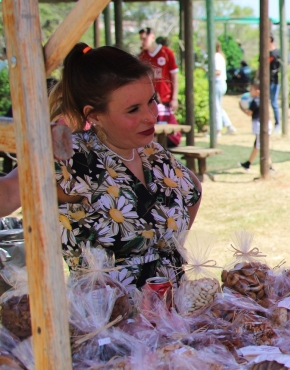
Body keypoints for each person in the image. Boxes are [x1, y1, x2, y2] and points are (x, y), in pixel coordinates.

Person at [0, 43, 202, 288]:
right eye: (133, 109)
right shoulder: (72, 158)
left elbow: (193, 189)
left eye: (151, 101)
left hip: (171, 315)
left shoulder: (155, 155)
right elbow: (8, 194)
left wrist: (166, 250)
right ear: (94, 115)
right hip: (105, 317)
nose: (150, 115)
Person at [139, 27, 181, 146]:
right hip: (148, 101)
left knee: (164, 130)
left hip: (165, 100)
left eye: (144, 38)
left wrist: (174, 98)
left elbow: (174, 77)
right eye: (141, 39)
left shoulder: (167, 53)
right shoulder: (142, 56)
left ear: (152, 36)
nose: (142, 42)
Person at [239, 83, 271, 172]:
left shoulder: (255, 101)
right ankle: (249, 163)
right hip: (266, 124)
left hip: (259, 125)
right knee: (260, 146)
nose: (250, 91)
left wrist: (241, 107)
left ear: (257, 91)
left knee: (259, 146)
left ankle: (267, 166)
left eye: (251, 89)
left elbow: (249, 113)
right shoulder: (264, 99)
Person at [213, 41, 236, 136]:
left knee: (216, 107)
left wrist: (208, 71)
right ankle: (229, 126)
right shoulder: (219, 56)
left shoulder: (216, 57)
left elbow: (218, 72)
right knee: (218, 106)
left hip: (218, 83)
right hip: (220, 83)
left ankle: (217, 130)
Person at [269, 36, 281, 133]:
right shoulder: (264, 52)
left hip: (274, 81)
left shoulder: (277, 52)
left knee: (274, 103)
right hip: (265, 82)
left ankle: (277, 124)